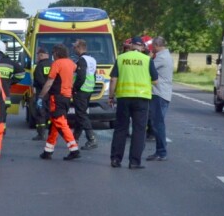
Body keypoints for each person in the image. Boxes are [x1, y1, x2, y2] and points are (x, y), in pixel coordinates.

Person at [108, 36, 158, 169]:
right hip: (141, 99)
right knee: (139, 130)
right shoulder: (147, 60)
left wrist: (111, 96)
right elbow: (155, 81)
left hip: (124, 97)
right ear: (142, 47)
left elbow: (113, 79)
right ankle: (134, 162)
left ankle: (116, 159)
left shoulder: (121, 58)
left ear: (130, 46)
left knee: (120, 129)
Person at [37, 44, 81, 161]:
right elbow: (77, 72)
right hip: (67, 96)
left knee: (60, 122)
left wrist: (41, 96)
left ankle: (74, 149)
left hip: (57, 97)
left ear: (56, 53)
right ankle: (48, 151)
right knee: (54, 124)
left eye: (53, 53)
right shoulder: (71, 63)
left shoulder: (57, 63)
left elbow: (50, 82)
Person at [146, 37, 173, 161]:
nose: (152, 49)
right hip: (163, 93)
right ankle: (160, 151)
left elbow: (147, 68)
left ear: (157, 45)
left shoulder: (161, 58)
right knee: (157, 123)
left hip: (159, 93)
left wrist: (149, 58)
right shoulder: (166, 55)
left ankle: (161, 152)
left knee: (158, 124)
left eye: (153, 47)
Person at [0, 40, 26, 126]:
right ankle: (1, 133)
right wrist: (11, 81)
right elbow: (22, 73)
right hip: (5, 97)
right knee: (2, 119)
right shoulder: (9, 62)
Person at [72, 39, 98, 150]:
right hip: (89, 89)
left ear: (79, 47)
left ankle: (91, 139)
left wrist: (75, 88)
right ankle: (74, 138)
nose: (74, 49)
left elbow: (81, 77)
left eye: (75, 47)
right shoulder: (92, 59)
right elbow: (94, 75)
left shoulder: (82, 60)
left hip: (81, 90)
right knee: (80, 114)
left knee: (81, 114)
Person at [31, 47, 52, 140]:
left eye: (38, 55)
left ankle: (41, 133)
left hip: (42, 93)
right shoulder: (53, 64)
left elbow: (39, 80)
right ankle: (50, 132)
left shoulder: (40, 66)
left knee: (40, 113)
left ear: (41, 55)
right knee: (50, 112)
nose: (37, 57)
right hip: (51, 92)